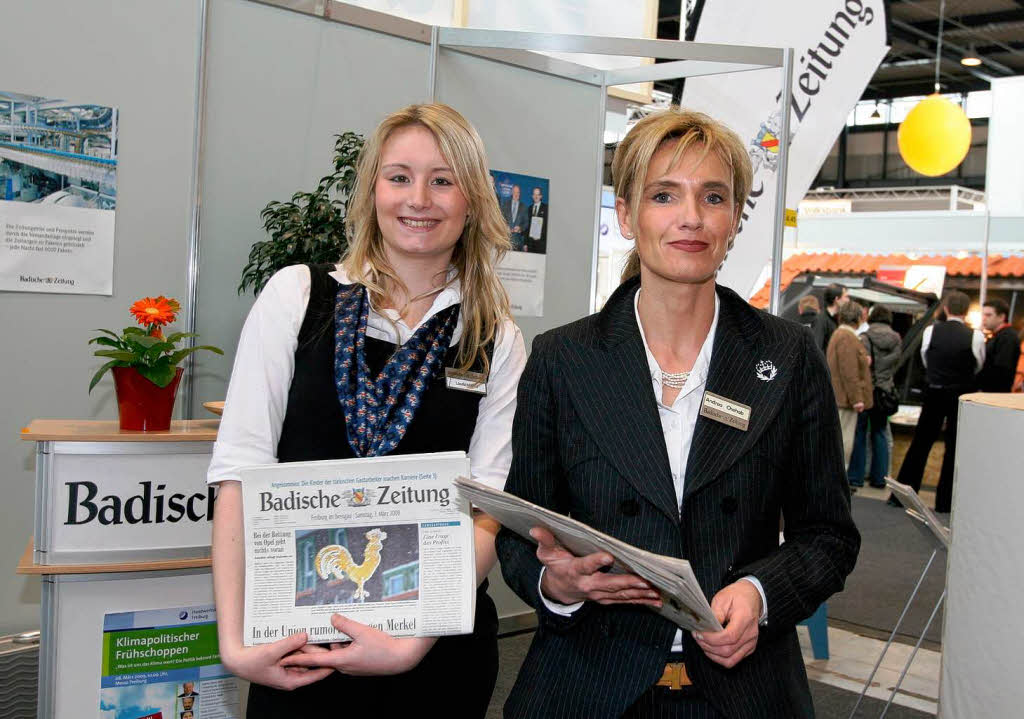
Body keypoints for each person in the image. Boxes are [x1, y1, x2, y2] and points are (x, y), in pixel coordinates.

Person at [495, 107, 859, 718]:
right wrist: (554, 584)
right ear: (626, 215)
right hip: (588, 683)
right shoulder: (562, 359)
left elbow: (828, 535)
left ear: (734, 219)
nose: (691, 217)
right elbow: (518, 530)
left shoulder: (788, 356)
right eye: (665, 195)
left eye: (713, 196)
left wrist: (760, 592)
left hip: (742, 688)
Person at [208, 103, 526, 716]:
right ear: (372, 189)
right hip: (297, 645)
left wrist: (412, 644)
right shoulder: (299, 298)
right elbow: (238, 474)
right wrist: (235, 640)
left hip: (434, 653)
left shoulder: (496, 338)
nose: (419, 199)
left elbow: (487, 507)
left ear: (471, 199)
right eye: (399, 176)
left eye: (443, 179)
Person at [893, 290, 984, 513]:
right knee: (954, 448)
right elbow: (978, 364)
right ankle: (945, 502)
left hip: (934, 391)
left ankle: (902, 496)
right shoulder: (976, 336)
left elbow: (925, 358)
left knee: (920, 444)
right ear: (965, 312)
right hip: (960, 394)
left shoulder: (931, 331)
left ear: (946, 308)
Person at [848, 305, 901, 488]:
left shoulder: (864, 338)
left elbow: (860, 365)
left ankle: (856, 477)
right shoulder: (896, 339)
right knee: (880, 433)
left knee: (860, 433)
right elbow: (895, 362)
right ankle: (880, 479)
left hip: (867, 391)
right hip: (885, 392)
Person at [827, 301, 873, 471]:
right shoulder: (847, 337)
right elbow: (849, 371)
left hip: (841, 397)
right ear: (859, 317)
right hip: (845, 400)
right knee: (843, 442)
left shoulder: (841, 335)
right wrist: (857, 399)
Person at [977, 297, 1020, 392]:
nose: (983, 319)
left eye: (988, 315)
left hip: (995, 394)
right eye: (983, 314)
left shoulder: (1008, 337)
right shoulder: (998, 336)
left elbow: (1001, 370)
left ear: (1001, 317)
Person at [813, 282, 848, 353]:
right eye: (846, 297)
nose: (848, 300)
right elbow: (817, 347)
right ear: (836, 299)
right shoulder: (821, 319)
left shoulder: (838, 318)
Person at [500, 184, 529, 250]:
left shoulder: (524, 207)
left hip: (518, 241)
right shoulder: (505, 205)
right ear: (511, 193)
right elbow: (501, 220)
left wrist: (520, 228)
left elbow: (526, 223)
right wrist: (505, 227)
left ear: (520, 194)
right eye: (514, 192)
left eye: (518, 192)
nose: (516, 194)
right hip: (506, 240)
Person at [524, 185, 548, 253]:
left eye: (538, 194)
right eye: (534, 194)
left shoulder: (546, 208)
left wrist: (540, 235)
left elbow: (547, 227)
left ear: (541, 196)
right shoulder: (529, 208)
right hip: (530, 244)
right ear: (532, 196)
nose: (536, 196)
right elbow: (527, 226)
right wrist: (525, 243)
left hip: (541, 244)